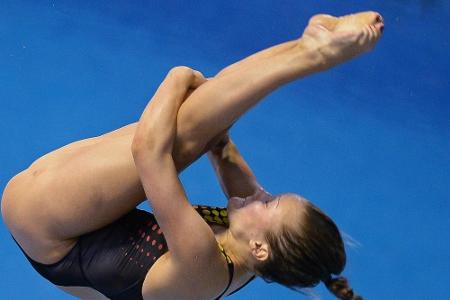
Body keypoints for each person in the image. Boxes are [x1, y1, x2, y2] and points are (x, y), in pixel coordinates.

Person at [1, 12, 384, 300]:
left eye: (269, 205)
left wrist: (179, 77)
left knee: (182, 137)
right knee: (201, 131)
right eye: (272, 196)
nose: (260, 194)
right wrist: (211, 113)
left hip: (48, 228)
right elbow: (222, 145)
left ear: (259, 248)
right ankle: (307, 46)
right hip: (76, 224)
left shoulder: (203, 263)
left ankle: (313, 54)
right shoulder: (256, 249)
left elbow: (148, 153)